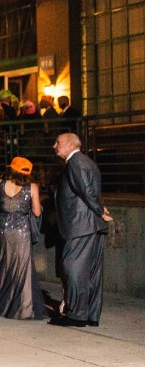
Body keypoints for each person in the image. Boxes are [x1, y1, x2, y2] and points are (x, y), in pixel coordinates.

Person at [51, 133, 113, 327]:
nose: (54, 146)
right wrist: (99, 210)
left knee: (73, 268)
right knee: (91, 272)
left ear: (70, 145)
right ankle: (91, 315)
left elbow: (86, 191)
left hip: (80, 225)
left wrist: (100, 210)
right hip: (88, 224)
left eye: (58, 143)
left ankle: (77, 315)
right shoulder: (85, 162)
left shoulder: (76, 162)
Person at [0, 156, 47, 320]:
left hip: (1, 230)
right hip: (21, 232)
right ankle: (22, 307)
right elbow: (36, 212)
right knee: (22, 268)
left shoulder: (0, 183)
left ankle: (1, 304)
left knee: (3, 264)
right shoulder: (31, 187)